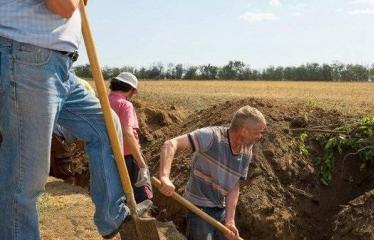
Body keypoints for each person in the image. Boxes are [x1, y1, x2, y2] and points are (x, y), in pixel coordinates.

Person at [0, 1, 132, 239]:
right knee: (24, 176)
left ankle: (112, 217)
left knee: (106, 126)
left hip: (58, 64)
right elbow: (64, 5)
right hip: (27, 56)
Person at [159, 106, 267, 240]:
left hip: (220, 209)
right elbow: (170, 144)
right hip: (198, 208)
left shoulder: (246, 150)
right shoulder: (211, 137)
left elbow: (234, 186)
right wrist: (164, 177)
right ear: (244, 131)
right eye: (258, 132)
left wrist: (230, 221)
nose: (260, 136)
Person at [108, 72, 153, 203]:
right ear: (131, 89)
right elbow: (128, 133)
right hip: (127, 157)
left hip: (109, 155)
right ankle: (143, 221)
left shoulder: (104, 101)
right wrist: (142, 164)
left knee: (119, 195)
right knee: (142, 196)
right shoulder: (125, 105)